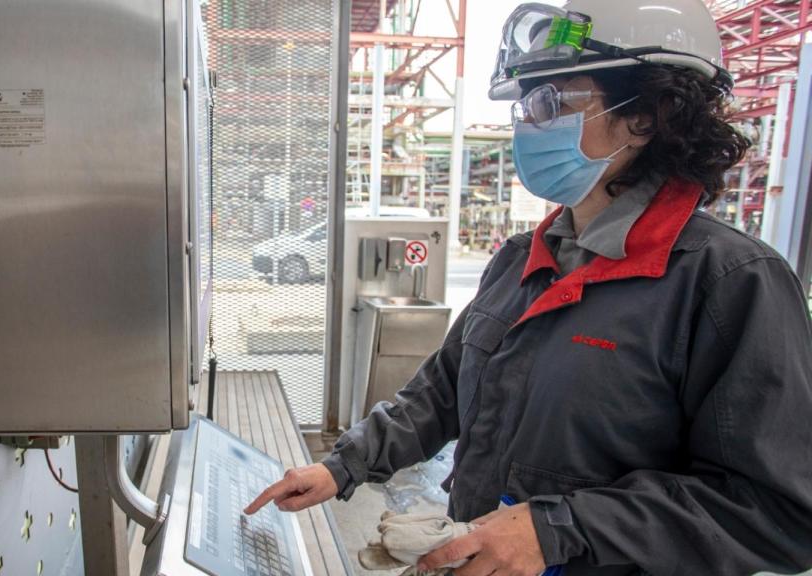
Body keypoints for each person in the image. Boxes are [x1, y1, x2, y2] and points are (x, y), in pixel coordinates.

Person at [246, 1, 812, 574]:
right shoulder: (523, 259)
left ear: (648, 114)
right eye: (525, 104)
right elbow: (443, 391)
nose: (528, 124)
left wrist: (557, 530)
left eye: (552, 102)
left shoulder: (728, 283)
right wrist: (343, 466)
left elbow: (774, 511)